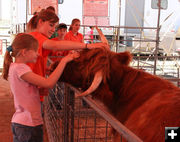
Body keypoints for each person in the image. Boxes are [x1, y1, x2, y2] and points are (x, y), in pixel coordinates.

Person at [2, 33, 79, 142]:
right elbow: (49, 83)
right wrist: (64, 61)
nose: (38, 54)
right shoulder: (21, 69)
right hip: (28, 125)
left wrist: (36, 91)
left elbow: (23, 90)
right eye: (36, 51)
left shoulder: (15, 67)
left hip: (24, 123)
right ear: (24, 52)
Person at [26, 9, 107, 103]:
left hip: (34, 91)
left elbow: (36, 64)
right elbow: (56, 45)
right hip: (30, 94)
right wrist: (87, 46)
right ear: (41, 22)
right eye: (51, 25)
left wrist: (45, 69)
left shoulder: (38, 38)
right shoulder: (36, 37)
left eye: (54, 26)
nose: (53, 30)